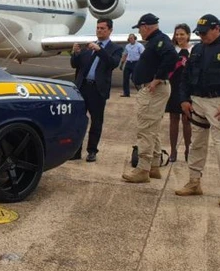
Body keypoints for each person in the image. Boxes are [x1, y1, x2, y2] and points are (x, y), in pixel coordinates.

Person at [175, 14, 220, 208]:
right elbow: (185, 76)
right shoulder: (197, 49)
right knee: (196, 144)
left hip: (219, 104)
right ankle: (194, 182)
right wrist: (184, 99)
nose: (202, 36)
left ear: (217, 28)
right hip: (197, 102)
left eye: (205, 32)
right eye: (199, 33)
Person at [122, 13, 178, 183]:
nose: (139, 33)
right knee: (152, 128)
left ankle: (142, 169)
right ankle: (153, 166)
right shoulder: (156, 41)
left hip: (154, 89)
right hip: (155, 88)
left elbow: (172, 57)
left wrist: (157, 79)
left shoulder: (160, 41)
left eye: (140, 29)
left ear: (145, 26)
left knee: (145, 129)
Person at [69, 18, 124, 162]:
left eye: (102, 28)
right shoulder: (89, 47)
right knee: (79, 121)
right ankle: (76, 150)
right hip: (83, 87)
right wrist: (74, 54)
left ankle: (92, 151)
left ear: (110, 30)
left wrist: (100, 50)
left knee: (96, 122)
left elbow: (112, 63)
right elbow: (76, 65)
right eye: (98, 28)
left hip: (98, 90)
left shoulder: (115, 48)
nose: (99, 30)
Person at [166, 23, 193, 162]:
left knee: (186, 120)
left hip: (188, 88)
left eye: (182, 34)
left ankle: (188, 150)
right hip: (173, 86)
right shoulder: (172, 50)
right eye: (177, 34)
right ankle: (173, 151)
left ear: (188, 35)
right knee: (173, 119)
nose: (179, 37)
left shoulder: (193, 50)